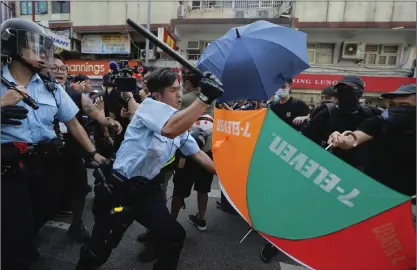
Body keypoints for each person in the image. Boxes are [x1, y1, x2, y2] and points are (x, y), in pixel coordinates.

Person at [76, 68, 223, 270]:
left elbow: (197, 154)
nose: (179, 94)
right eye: (173, 90)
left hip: (146, 192)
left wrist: (228, 177)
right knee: (101, 247)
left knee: (174, 237)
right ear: (157, 95)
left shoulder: (179, 124)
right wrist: (205, 98)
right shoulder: (148, 108)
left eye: (179, 89)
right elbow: (169, 129)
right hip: (119, 189)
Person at [0, 18, 106, 270]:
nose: (42, 53)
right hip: (9, 170)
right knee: (16, 227)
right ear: (15, 48)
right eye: (33, 45)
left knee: (44, 211)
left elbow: (73, 123)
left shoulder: (50, 87)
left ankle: (22, 246)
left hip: (44, 165)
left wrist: (94, 153)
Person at [52, 54, 122, 242]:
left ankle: (76, 225)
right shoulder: (38, 93)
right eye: (54, 68)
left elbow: (95, 113)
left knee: (79, 189)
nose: (59, 72)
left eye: (62, 68)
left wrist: (110, 121)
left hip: (73, 152)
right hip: (47, 154)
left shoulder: (75, 94)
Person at [328, 84, 416, 198]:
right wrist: (341, 139)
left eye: (404, 105)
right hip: (375, 194)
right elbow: (354, 138)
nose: (397, 109)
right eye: (393, 104)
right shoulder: (380, 123)